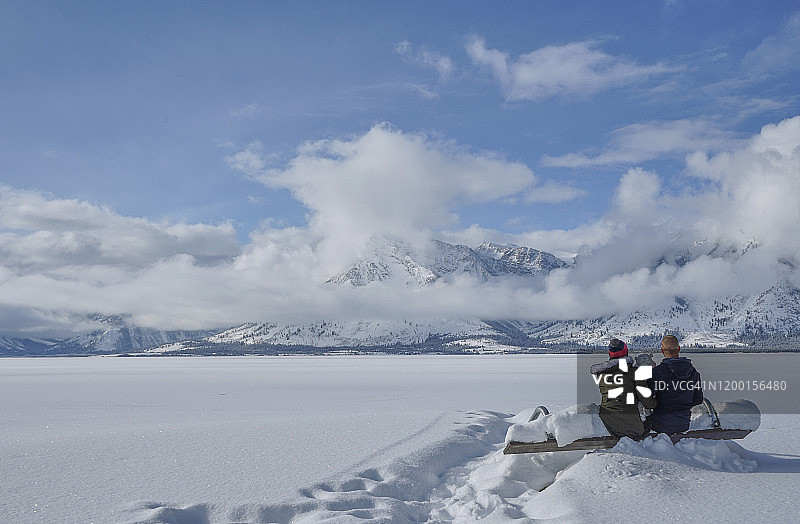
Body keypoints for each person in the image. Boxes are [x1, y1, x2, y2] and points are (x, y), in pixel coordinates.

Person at [591, 338, 656, 440]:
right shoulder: (635, 373)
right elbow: (648, 403)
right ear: (626, 352)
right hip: (631, 427)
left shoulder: (602, 376)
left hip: (608, 423)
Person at [647, 335, 703, 434]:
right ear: (679, 349)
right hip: (684, 424)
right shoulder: (693, 372)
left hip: (659, 424)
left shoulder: (657, 372)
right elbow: (698, 399)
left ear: (662, 350)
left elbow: (647, 400)